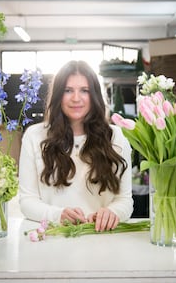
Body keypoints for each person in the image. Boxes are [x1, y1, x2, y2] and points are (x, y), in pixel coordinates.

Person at [19, 60, 133, 232]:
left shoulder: (115, 137)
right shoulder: (34, 137)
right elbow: (27, 201)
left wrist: (112, 212)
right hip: (52, 240)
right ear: (58, 95)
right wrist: (58, 215)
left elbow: (125, 200)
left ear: (94, 95)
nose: (76, 98)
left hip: (101, 239)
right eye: (68, 90)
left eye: (84, 91)